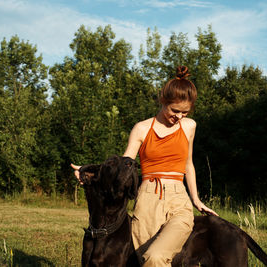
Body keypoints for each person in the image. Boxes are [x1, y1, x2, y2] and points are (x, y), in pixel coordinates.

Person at [72, 66, 218, 266]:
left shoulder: (189, 126)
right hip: (147, 202)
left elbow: (188, 164)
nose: (179, 117)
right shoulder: (142, 128)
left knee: (156, 257)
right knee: (143, 261)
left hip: (178, 200)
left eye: (185, 112)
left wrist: (196, 199)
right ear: (163, 101)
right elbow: (125, 165)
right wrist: (89, 173)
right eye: (175, 111)